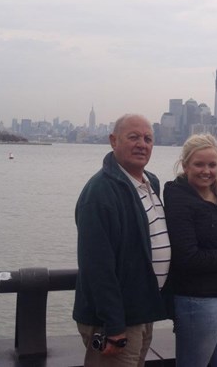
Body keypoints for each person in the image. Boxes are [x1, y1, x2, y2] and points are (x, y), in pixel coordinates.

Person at [73, 114, 171, 367]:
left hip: (141, 311)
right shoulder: (100, 192)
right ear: (113, 141)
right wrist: (113, 325)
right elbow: (97, 266)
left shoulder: (151, 183)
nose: (142, 144)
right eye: (133, 137)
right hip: (116, 320)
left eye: (148, 139)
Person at [163, 134, 217, 367]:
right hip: (194, 298)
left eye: (212, 164)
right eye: (199, 164)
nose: (206, 170)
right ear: (185, 164)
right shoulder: (178, 198)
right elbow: (187, 257)